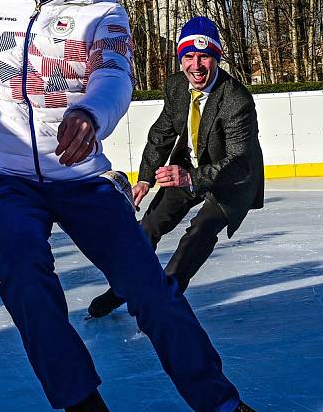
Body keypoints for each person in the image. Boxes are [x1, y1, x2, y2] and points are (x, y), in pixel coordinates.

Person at [0, 0, 269, 412]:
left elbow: (115, 78)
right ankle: (76, 392)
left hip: (84, 178)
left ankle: (217, 400)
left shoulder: (104, 13)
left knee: (148, 285)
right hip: (9, 177)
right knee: (22, 270)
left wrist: (90, 114)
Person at [88, 16, 264, 319]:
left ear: (216, 58)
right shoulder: (176, 86)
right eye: (189, 57)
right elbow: (162, 134)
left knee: (199, 233)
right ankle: (123, 286)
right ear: (181, 59)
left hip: (231, 180)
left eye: (204, 56)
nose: (196, 65)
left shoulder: (236, 100)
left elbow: (238, 162)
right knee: (149, 226)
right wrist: (145, 178)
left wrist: (190, 177)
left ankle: (164, 296)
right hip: (188, 167)